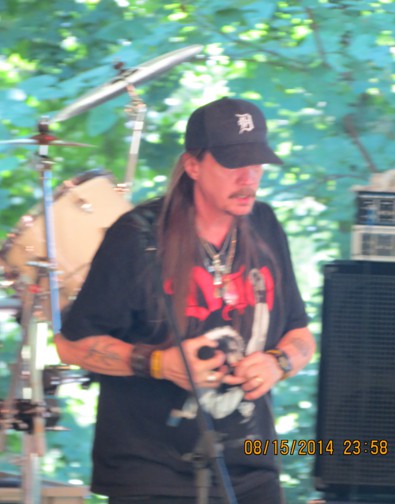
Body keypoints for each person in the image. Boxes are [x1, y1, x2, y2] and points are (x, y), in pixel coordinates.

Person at [54, 97, 315, 504]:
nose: (248, 177)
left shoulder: (264, 225)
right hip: (151, 473)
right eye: (233, 164)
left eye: (257, 164)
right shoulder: (137, 236)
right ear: (193, 165)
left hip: (250, 467)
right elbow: (70, 345)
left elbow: (300, 335)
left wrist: (277, 363)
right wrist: (159, 363)